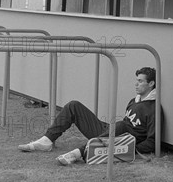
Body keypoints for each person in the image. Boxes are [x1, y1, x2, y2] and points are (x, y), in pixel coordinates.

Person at [18, 67, 160, 166]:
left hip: (122, 141)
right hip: (111, 132)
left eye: (140, 81)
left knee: (121, 125)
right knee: (74, 105)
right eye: (137, 80)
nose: (136, 84)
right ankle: (46, 141)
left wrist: (130, 148)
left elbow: (152, 141)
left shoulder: (154, 109)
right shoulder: (133, 101)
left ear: (151, 84)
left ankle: (76, 154)